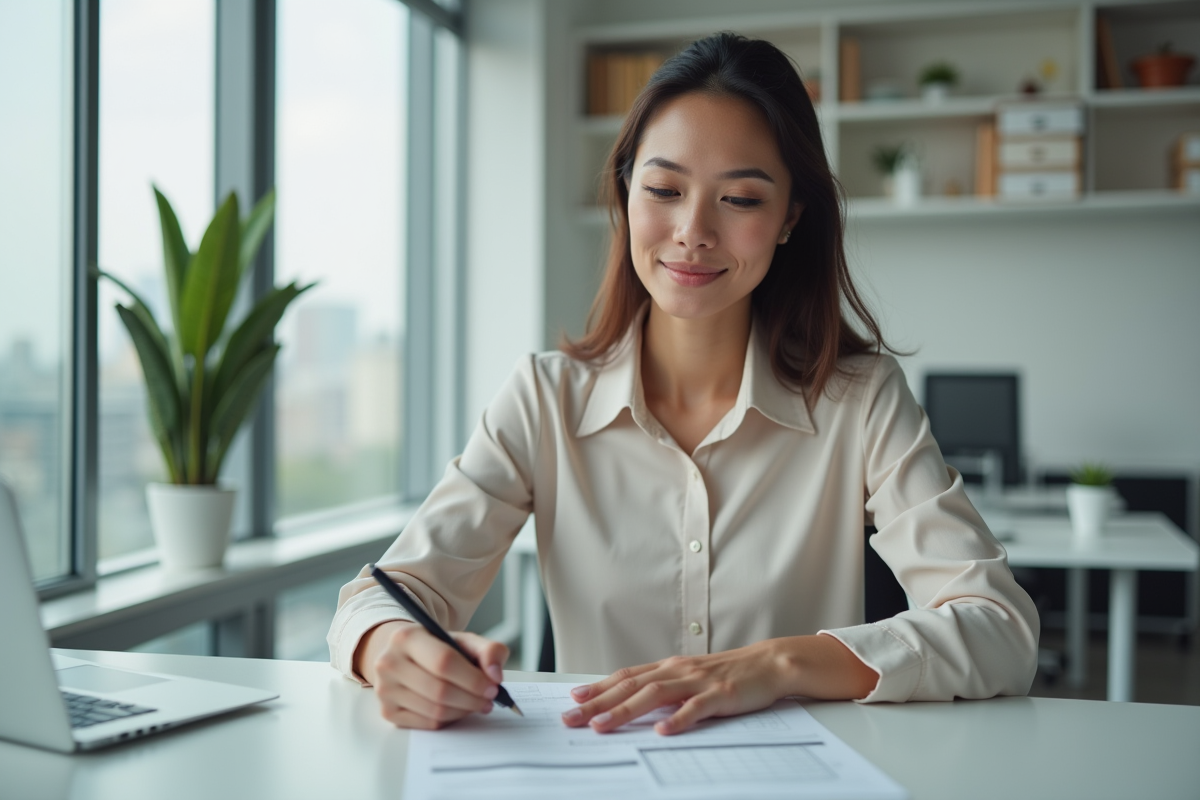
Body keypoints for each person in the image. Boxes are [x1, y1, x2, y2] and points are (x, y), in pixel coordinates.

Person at [327, 32, 1039, 736]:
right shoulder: (545, 399)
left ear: (792, 217)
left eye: (741, 200)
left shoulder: (860, 400)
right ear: (626, 192)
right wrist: (393, 650)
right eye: (665, 189)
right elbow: (380, 598)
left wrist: (779, 665)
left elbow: (1000, 627)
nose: (693, 231)